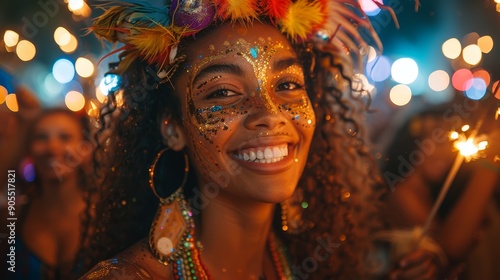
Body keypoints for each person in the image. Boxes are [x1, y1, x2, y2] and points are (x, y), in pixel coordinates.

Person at [80, 0, 439, 279]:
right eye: (223, 92)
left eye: (287, 85)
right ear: (173, 128)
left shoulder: (315, 261)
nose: (270, 114)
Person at [380, 102, 500, 279]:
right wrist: (492, 159)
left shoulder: (432, 194)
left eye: (451, 144)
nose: (446, 154)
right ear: (415, 141)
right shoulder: (400, 194)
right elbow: (447, 249)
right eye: (438, 142)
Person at [9, 109, 93, 280]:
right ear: (29, 149)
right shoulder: (11, 217)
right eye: (41, 137)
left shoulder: (108, 215)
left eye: (65, 137)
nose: (52, 148)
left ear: (85, 150)